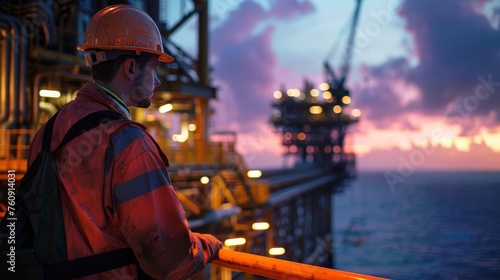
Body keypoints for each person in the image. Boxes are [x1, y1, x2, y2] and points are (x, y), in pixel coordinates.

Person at [27, 4, 222, 279]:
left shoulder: (46, 134)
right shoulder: (129, 144)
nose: (157, 82)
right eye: (153, 68)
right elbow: (167, 258)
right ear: (131, 68)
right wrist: (206, 247)